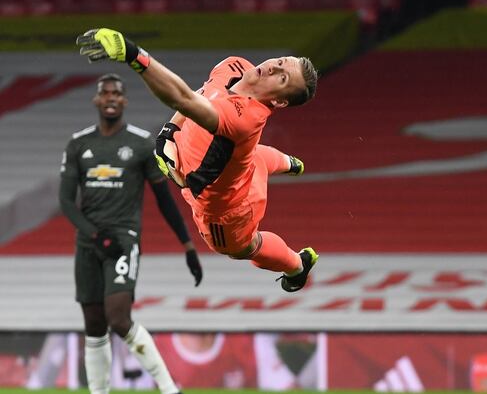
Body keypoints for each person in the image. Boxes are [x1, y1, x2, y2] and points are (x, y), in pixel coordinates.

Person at [75, 28, 319, 294]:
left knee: (242, 248)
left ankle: (297, 266)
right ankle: (288, 162)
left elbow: (183, 98)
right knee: (251, 158)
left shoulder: (244, 119)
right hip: (239, 165)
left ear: (279, 101)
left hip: (227, 210)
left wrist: (135, 55)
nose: (272, 69)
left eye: (282, 78)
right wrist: (169, 131)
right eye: (280, 62)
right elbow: (200, 94)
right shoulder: (234, 65)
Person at [59, 73, 203, 394]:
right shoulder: (79, 144)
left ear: (124, 101)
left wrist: (188, 246)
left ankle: (169, 389)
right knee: (94, 326)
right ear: (97, 100)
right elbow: (66, 202)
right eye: (105, 93)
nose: (110, 98)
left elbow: (165, 200)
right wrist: (94, 236)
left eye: (117, 93)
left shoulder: (140, 144)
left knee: (119, 320)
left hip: (123, 241)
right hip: (89, 243)